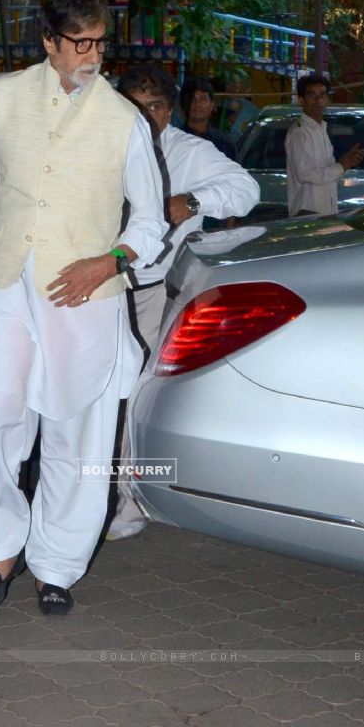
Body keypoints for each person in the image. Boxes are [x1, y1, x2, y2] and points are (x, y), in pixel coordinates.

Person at [0, 0, 167, 616]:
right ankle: (1, 549)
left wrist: (110, 260)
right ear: (48, 40)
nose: (92, 54)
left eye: (100, 42)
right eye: (80, 42)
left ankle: (57, 565)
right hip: (3, 279)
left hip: (82, 296)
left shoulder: (124, 119)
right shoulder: (0, 98)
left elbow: (149, 222)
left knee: (77, 432)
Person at [107, 63, 260, 540]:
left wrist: (190, 202)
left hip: (152, 290)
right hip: (97, 289)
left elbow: (246, 190)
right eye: (134, 106)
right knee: (92, 397)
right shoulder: (102, 144)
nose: (145, 116)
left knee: (135, 400)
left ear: (169, 110)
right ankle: (80, 496)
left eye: (154, 107)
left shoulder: (190, 151)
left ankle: (132, 500)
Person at [285, 73, 364, 217]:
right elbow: (306, 174)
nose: (318, 100)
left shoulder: (320, 129)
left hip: (325, 212)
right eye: (312, 95)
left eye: (322, 95)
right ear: (301, 100)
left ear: (327, 99)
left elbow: (325, 170)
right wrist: (342, 166)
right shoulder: (300, 133)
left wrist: (346, 161)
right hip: (308, 214)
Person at [180, 76, 237, 161]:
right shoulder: (174, 140)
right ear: (184, 104)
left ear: (212, 105)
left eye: (203, 99)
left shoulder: (224, 144)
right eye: (192, 98)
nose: (197, 104)